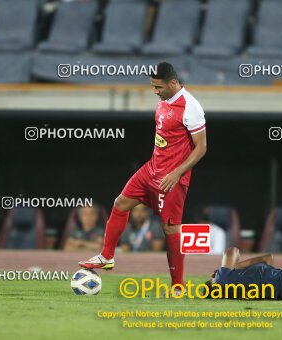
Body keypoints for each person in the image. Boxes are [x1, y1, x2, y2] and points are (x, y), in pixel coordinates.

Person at [79, 62, 207, 294]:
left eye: (158, 86)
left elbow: (202, 147)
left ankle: (178, 285)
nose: (154, 91)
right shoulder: (163, 101)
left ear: (172, 83)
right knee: (120, 203)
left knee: (171, 230)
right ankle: (107, 257)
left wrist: (177, 172)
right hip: (151, 170)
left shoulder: (191, 106)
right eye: (152, 86)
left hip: (172, 178)